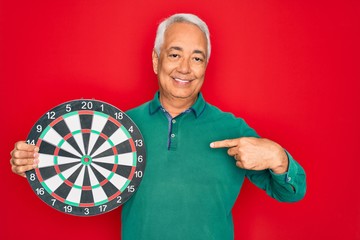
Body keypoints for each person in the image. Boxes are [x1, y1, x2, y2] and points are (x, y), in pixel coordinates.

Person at [10, 13, 306, 240]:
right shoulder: (116, 128)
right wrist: (33, 159)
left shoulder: (232, 130)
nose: (185, 68)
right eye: (175, 54)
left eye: (197, 58)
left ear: (205, 66)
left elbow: (292, 192)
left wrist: (279, 157)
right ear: (156, 60)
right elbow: (73, 160)